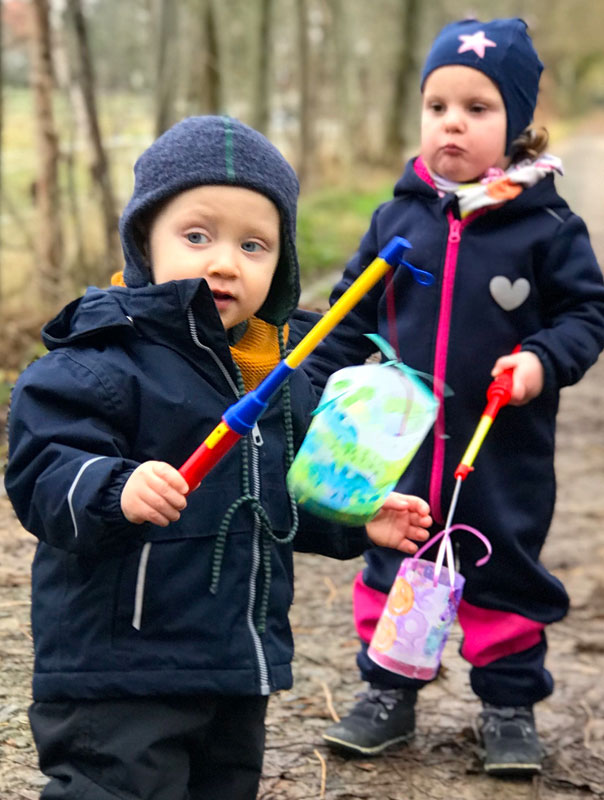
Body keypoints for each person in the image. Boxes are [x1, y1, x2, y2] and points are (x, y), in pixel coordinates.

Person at [4, 115, 433, 800]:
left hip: (236, 664)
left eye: (254, 244)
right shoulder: (98, 359)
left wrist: (353, 518)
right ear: (146, 238)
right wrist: (116, 486)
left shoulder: (281, 381)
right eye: (196, 236)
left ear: (281, 265)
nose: (224, 261)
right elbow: (43, 473)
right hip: (119, 671)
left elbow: (278, 499)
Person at [304, 18, 604, 777]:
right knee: (392, 567)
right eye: (438, 106)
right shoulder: (398, 218)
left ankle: (508, 705)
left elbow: (585, 315)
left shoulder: (547, 227)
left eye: (477, 108)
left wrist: (540, 360)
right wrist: (314, 388)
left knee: (500, 570)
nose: (452, 124)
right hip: (396, 448)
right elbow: (351, 314)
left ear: (518, 123)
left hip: (500, 451)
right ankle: (387, 694)